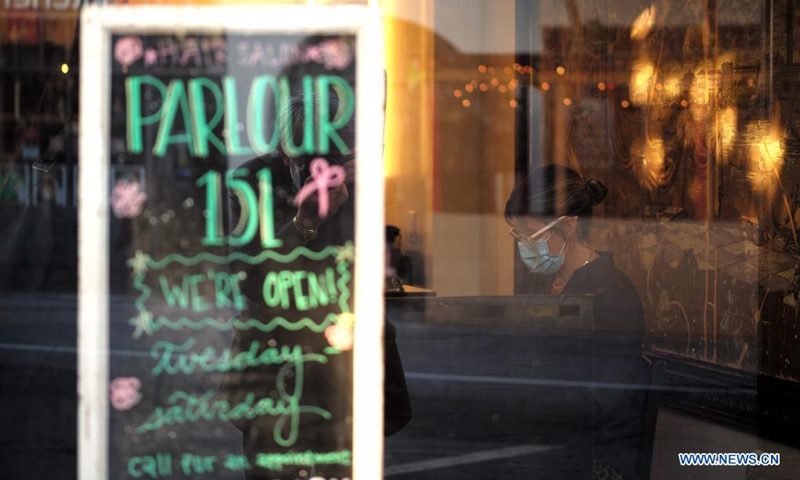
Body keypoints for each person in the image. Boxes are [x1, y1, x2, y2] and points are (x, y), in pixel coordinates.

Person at [505, 165, 649, 480]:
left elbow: (602, 402)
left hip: (594, 458)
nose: (524, 246)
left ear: (568, 227)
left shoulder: (612, 297)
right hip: (547, 443)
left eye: (530, 235)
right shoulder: (543, 284)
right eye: (518, 236)